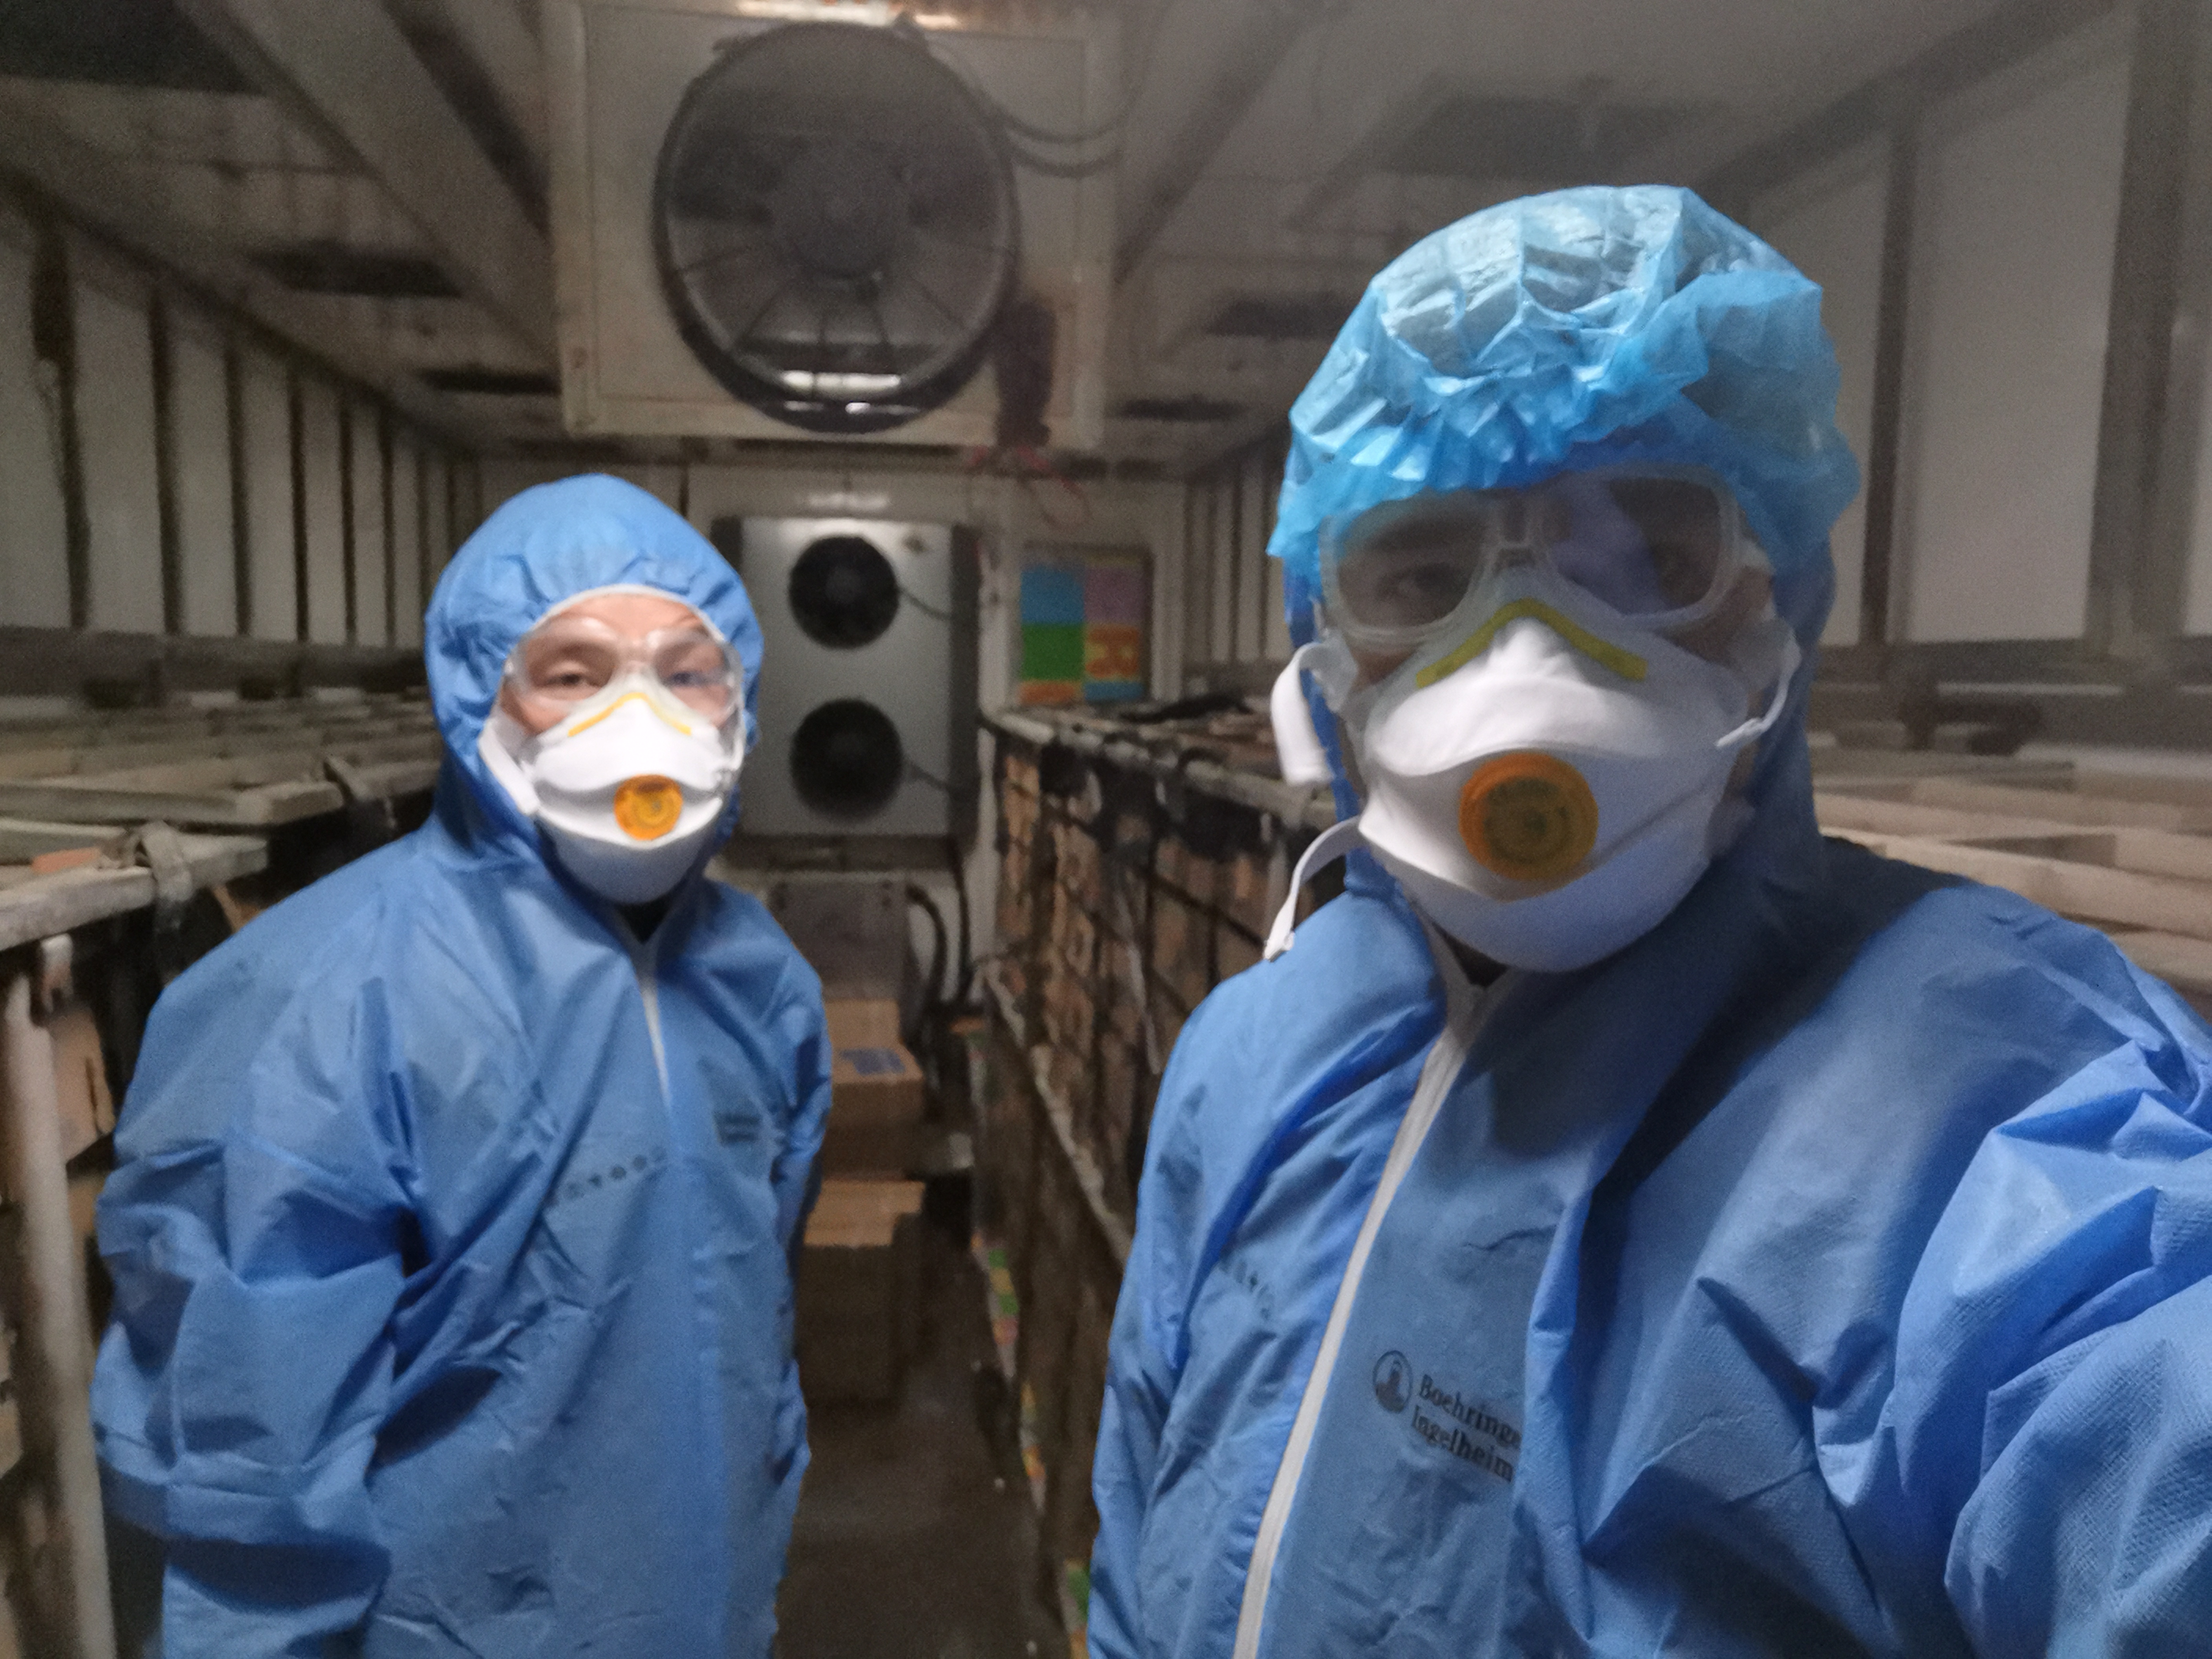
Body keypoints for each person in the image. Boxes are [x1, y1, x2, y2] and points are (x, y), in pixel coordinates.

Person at [1087, 185, 2212, 1658]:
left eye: (1648, 562)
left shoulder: (1989, 1100)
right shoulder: (1253, 1049)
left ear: (1780, 605)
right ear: (1328, 645)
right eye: (1423, 576)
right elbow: (1145, 1508)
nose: (1527, 660)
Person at [92, 475, 832, 1658]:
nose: (639, 720)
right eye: (576, 675)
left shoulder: (760, 983)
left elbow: (753, 1322)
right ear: (478, 690)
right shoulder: (324, 996)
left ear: (740, 701)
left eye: (688, 673)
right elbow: (243, 1464)